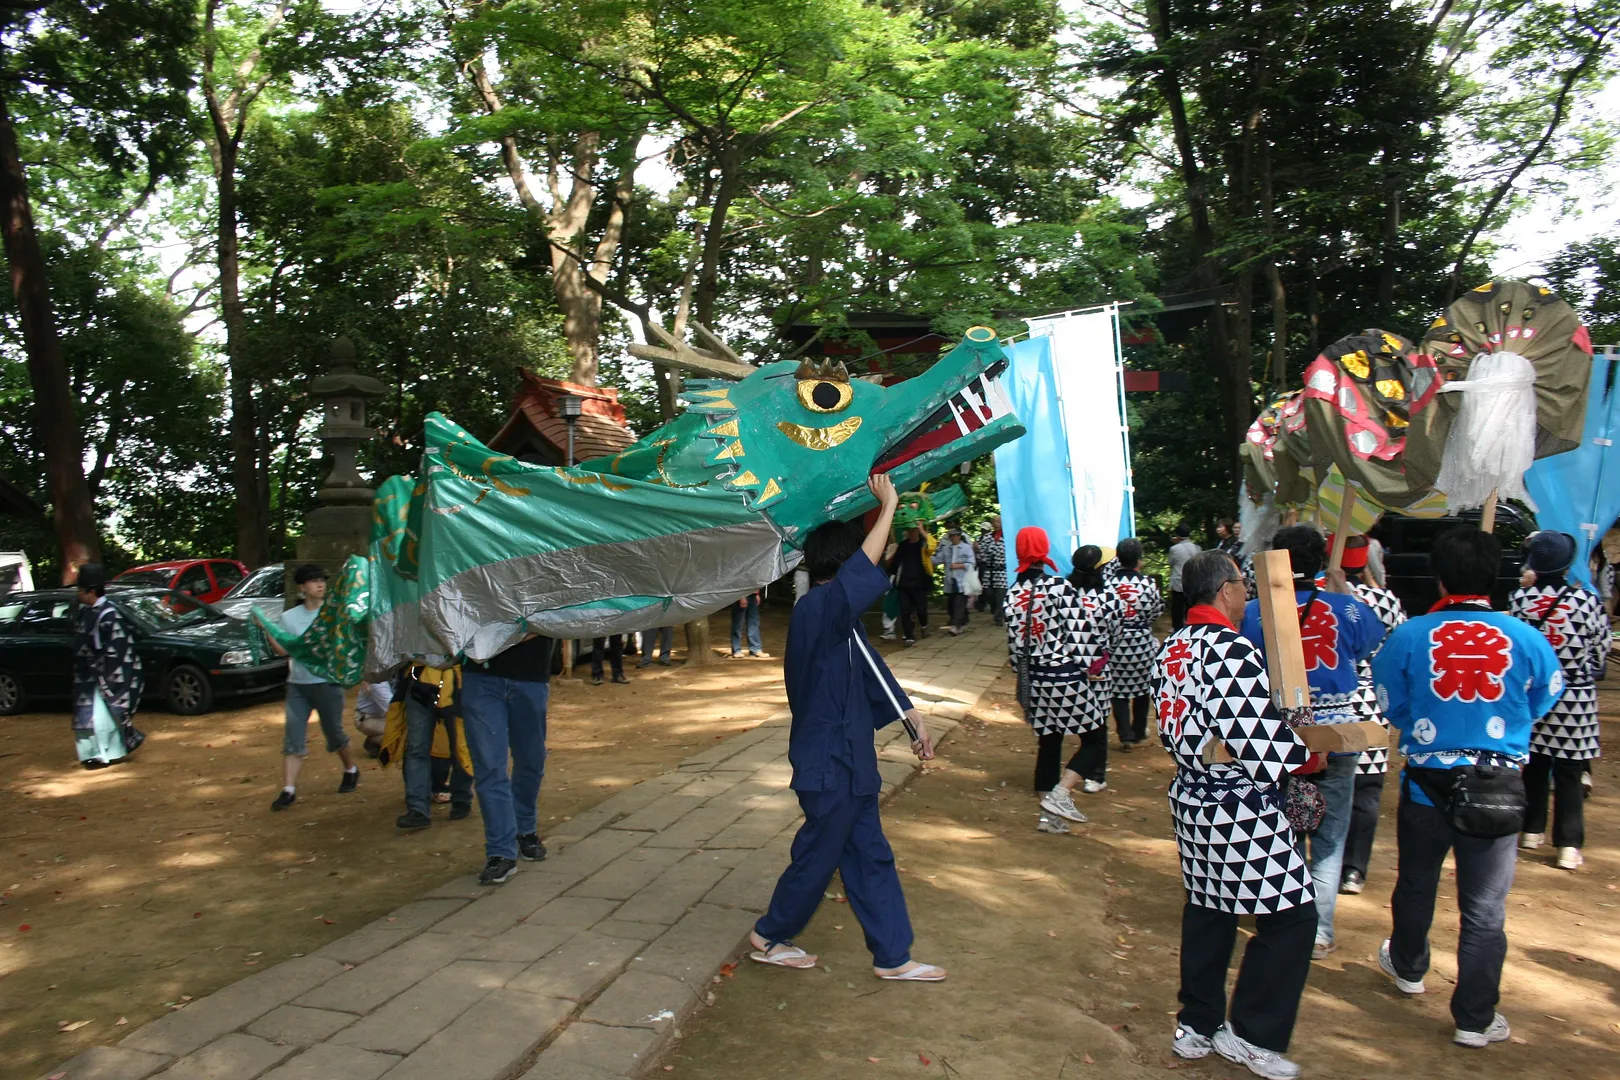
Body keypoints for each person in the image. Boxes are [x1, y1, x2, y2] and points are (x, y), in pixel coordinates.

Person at [748, 473, 945, 981]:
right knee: (819, 855)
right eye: (859, 553)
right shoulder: (817, 610)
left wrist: (912, 717)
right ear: (845, 558)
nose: (868, 560)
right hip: (827, 762)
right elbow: (864, 571)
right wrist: (889, 505)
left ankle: (893, 955)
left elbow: (876, 674)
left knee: (870, 855)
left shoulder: (842, 624)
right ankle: (770, 935)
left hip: (851, 762)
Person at [1372, 527, 1563, 1050]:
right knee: (1484, 906)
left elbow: (1389, 698)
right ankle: (1474, 1018)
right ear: (1497, 576)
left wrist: (1424, 725)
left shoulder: (1410, 634)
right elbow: (1547, 693)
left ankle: (1409, 966)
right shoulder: (1526, 637)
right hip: (1497, 782)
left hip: (1426, 781)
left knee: (1416, 881)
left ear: (1439, 577)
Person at [1155, 551, 1316, 1080]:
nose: (1247, 597)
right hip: (1236, 803)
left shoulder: (1171, 648)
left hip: (1192, 797)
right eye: (1243, 587)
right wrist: (1306, 754)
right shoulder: (1229, 649)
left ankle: (1197, 1024)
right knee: (1292, 915)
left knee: (1209, 909)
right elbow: (1256, 738)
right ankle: (1252, 1033)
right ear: (1225, 590)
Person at [1240, 526, 1383, 960]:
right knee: (1330, 836)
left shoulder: (1252, 611)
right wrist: (1342, 591)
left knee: (1276, 826)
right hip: (1338, 731)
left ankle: (1278, 914)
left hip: (1276, 731)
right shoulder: (1350, 610)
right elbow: (1371, 643)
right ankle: (1318, 930)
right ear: (1321, 560)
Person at [1509, 530, 1610, 870]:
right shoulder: (1588, 601)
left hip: (1533, 694)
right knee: (1568, 772)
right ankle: (1568, 845)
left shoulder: (1519, 600)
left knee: (1534, 764)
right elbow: (1600, 651)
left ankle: (1530, 829)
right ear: (1569, 565)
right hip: (1575, 697)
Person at [1005, 528, 1114, 833]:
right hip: (1064, 676)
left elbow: (1015, 649)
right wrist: (1093, 665)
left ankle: (1047, 817)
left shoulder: (1013, 593)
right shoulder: (1058, 587)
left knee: (1050, 742)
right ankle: (1062, 792)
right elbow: (1081, 633)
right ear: (1044, 549)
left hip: (1034, 680)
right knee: (1094, 737)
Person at [1338, 536, 1407, 896]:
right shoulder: (1386, 600)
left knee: (1327, 785)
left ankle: (1324, 862)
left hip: (1328, 698)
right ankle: (1354, 868)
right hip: (1370, 699)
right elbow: (1398, 646)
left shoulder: (1321, 597)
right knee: (1366, 789)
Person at [461, 630, 556, 885]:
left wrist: (505, 634)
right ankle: (500, 851)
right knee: (489, 766)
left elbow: (555, 615)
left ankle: (524, 829)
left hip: (530, 676)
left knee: (531, 760)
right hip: (480, 676)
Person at [266, 565, 358, 811]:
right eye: (313, 581)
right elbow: (282, 650)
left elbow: (345, 645)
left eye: (322, 580)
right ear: (301, 588)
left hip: (326, 683)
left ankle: (351, 768)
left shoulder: (333, 615)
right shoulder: (289, 618)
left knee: (335, 734)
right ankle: (289, 790)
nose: (320, 585)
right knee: (293, 737)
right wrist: (266, 627)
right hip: (298, 685)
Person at [71, 563, 144, 769]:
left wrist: (98, 664)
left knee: (101, 719)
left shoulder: (111, 614)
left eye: (80, 590)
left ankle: (105, 754)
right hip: (87, 675)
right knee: (87, 718)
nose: (78, 594)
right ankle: (91, 754)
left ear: (91, 591)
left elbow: (118, 649)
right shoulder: (85, 612)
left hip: (104, 675)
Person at [394, 662, 473, 830]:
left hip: (457, 684)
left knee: (461, 746)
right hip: (419, 682)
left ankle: (461, 798)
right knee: (416, 748)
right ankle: (417, 809)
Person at [1108, 538, 1165, 750]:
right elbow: (1157, 610)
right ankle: (1139, 729)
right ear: (1139, 560)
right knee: (1142, 689)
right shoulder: (1148, 584)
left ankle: (1125, 734)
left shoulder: (1108, 585)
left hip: (1115, 645)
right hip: (1141, 643)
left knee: (1117, 691)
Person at [887, 525, 933, 645]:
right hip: (904, 583)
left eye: (914, 530)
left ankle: (924, 626)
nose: (912, 533)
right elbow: (896, 563)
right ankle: (909, 635)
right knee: (905, 611)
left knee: (922, 610)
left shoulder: (923, 544)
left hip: (920, 583)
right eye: (910, 531)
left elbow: (932, 546)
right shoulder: (903, 545)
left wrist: (923, 530)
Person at [939, 525, 976, 635]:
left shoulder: (966, 548)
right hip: (950, 581)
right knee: (951, 605)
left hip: (963, 581)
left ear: (959, 536)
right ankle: (963, 622)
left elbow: (972, 563)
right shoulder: (946, 549)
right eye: (951, 536)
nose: (953, 538)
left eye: (955, 535)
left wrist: (960, 565)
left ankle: (956, 625)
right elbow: (937, 560)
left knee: (959, 604)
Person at [975, 515, 1008, 626]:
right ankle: (996, 610)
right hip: (989, 569)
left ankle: (999, 617)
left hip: (1002, 570)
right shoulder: (988, 537)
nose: (996, 524)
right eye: (994, 522)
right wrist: (978, 549)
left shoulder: (1008, 536)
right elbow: (982, 552)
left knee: (1001, 594)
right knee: (988, 593)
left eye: (998, 521)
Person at [1167, 524, 1200, 629]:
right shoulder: (1197, 548)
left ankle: (1176, 627)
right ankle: (1191, 624)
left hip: (1179, 581)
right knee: (1191, 605)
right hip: (1194, 581)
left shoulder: (1174, 549)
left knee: (1177, 607)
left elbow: (1171, 563)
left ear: (1177, 535)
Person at [354, 678, 392, 758]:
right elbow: (393, 709)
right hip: (367, 719)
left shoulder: (393, 679)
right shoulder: (379, 682)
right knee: (403, 731)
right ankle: (374, 742)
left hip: (379, 717)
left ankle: (375, 741)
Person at [731, 589, 770, 658]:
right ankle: (736, 650)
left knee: (754, 623)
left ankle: (755, 649)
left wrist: (756, 594)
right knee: (738, 623)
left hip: (753, 595)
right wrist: (741, 596)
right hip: (740, 594)